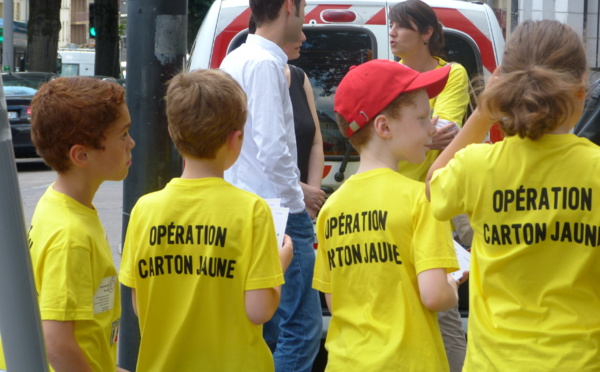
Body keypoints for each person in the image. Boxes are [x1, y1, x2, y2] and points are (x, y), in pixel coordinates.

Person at [426, 20, 600, 371]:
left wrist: (482, 113)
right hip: (577, 360)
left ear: (503, 85)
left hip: (493, 361)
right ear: (583, 88)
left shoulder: (477, 166)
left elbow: (433, 185)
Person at [119, 69, 294, 371]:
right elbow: (259, 310)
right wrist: (279, 263)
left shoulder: (144, 210)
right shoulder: (252, 210)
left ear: (174, 134)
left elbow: (139, 305)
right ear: (235, 139)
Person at [313, 59, 465, 371]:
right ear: (384, 127)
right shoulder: (419, 200)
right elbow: (435, 296)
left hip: (346, 362)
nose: (432, 125)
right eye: (423, 118)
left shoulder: (331, 208)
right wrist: (452, 285)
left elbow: (333, 299)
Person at [0, 77, 134, 372]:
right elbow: (56, 344)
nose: (131, 143)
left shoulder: (61, 203)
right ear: (82, 155)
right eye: (123, 134)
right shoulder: (70, 235)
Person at [220, 1, 323, 371]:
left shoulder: (235, 59)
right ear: (287, 8)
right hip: (276, 211)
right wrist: (298, 204)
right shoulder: (266, 65)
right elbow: (274, 150)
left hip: (245, 208)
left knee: (266, 325)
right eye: (304, 8)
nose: (306, 17)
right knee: (302, 326)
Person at [388, 2, 470, 369]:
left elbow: (447, 133)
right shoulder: (391, 74)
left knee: (443, 310)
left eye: (400, 27)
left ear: (426, 33)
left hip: (435, 205)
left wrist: (403, 140)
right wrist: (425, 134)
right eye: (391, 26)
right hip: (395, 203)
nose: (391, 33)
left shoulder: (452, 72)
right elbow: (433, 135)